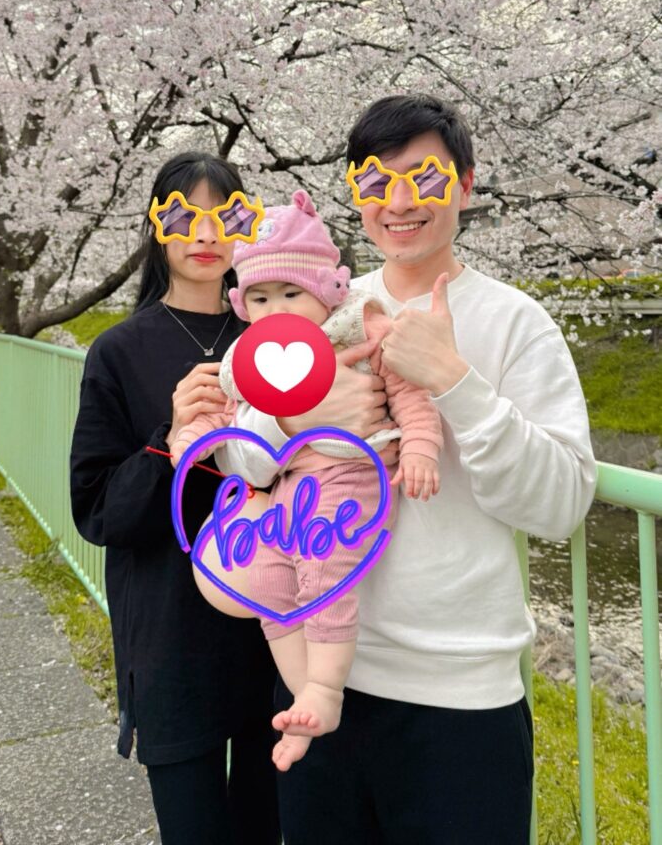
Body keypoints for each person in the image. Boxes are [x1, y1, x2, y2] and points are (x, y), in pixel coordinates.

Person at [215, 94, 598, 845]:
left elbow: (559, 505)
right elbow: (239, 460)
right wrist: (296, 421)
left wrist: (453, 381)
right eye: (374, 181)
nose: (398, 203)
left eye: (424, 178)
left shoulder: (516, 323)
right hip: (319, 678)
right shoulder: (316, 306)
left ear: (465, 185)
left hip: (461, 696)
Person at [169, 188, 442, 772]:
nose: (277, 310)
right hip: (291, 486)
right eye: (260, 297)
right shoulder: (252, 354)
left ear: (326, 291)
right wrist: (192, 441)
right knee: (268, 578)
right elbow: (227, 413)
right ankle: (304, 698)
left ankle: (325, 689)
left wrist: (421, 448)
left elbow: (410, 396)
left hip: (352, 477)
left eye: (292, 293)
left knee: (322, 566)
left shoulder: (358, 329)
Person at [69, 152, 284, 845]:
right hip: (172, 637)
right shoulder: (119, 352)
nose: (207, 233)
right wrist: (169, 440)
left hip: (278, 634)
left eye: (227, 216)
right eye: (185, 216)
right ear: (157, 227)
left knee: (267, 824)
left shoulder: (277, 341)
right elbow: (98, 510)